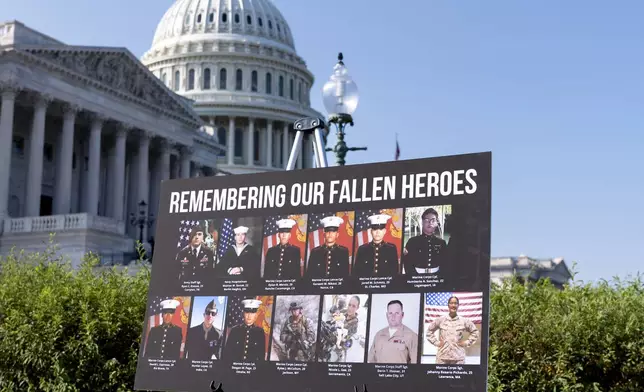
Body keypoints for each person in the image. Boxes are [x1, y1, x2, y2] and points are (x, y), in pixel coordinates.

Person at [425, 296, 479, 364]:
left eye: (455, 303)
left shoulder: (463, 321)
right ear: (448, 305)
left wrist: (466, 342)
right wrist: (437, 343)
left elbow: (475, 332)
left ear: (458, 305)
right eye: (451, 303)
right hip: (442, 358)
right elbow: (429, 331)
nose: (453, 305)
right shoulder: (441, 320)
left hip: (458, 359)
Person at [402, 208, 447, 275]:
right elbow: (407, 263)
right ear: (422, 222)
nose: (430, 223)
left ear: (436, 223)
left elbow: (445, 264)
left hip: (436, 278)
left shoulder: (441, 243)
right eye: (427, 220)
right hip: (417, 278)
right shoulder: (412, 241)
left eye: (433, 220)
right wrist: (413, 278)